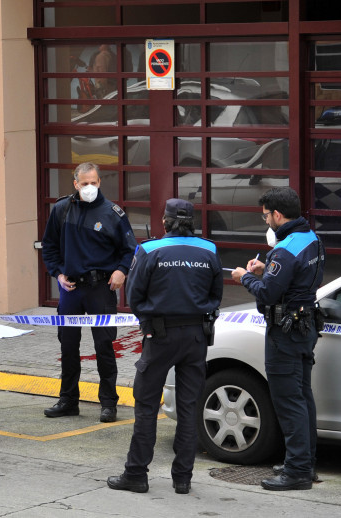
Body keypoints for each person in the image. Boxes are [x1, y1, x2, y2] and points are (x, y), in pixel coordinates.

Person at [107, 198, 222, 495]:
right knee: (188, 407)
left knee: (146, 407)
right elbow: (216, 294)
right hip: (196, 336)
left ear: (165, 222)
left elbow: (135, 297)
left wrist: (151, 321)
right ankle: (182, 479)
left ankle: (136, 474)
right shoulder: (209, 249)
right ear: (192, 222)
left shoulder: (148, 249)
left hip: (159, 337)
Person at [231, 187, 324, 491]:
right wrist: (265, 270)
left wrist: (246, 276)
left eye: (266, 216)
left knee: (288, 401)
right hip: (304, 327)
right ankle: (304, 463)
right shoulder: (312, 239)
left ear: (278, 215)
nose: (266, 222)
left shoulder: (283, 250)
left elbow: (268, 293)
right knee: (302, 397)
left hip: (284, 333)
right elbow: (288, 280)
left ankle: (296, 471)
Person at [41, 162, 137, 422]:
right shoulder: (62, 209)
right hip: (71, 289)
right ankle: (68, 400)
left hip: (101, 288)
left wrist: (121, 271)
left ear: (99, 182)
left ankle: (108, 403)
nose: (89, 187)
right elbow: (48, 247)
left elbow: (129, 249)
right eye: (84, 183)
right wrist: (58, 274)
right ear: (75, 184)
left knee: (104, 346)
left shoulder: (112, 212)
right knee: (68, 346)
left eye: (94, 182)